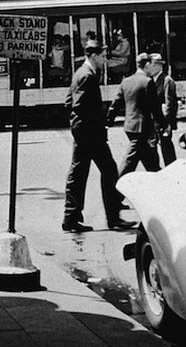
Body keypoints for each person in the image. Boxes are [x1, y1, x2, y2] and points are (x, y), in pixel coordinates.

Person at [62, 40, 134, 232]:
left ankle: (71, 218)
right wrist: (99, 126)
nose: (104, 60)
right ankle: (113, 218)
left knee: (78, 173)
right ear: (92, 55)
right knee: (109, 171)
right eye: (102, 56)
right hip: (90, 132)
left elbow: (68, 103)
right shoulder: (88, 76)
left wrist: (76, 124)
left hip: (82, 130)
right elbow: (79, 106)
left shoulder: (80, 73)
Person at [107, 53, 168, 183]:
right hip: (142, 129)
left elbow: (116, 104)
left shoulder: (126, 81)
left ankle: (162, 187)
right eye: (151, 65)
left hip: (130, 126)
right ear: (146, 65)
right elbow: (155, 108)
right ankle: (115, 191)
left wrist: (108, 121)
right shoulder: (147, 82)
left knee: (151, 161)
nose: (152, 68)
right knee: (129, 163)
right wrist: (164, 124)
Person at [149, 53, 178, 165]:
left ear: (158, 66)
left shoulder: (167, 80)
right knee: (152, 151)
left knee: (166, 149)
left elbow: (170, 104)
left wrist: (167, 123)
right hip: (153, 121)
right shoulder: (150, 80)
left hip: (164, 122)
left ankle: (172, 171)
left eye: (151, 65)